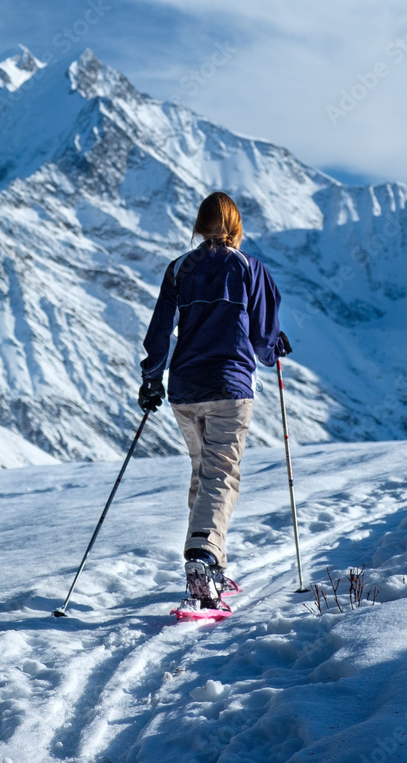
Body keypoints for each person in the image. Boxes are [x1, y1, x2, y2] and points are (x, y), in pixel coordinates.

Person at [138, 191, 291, 608]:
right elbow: (262, 340)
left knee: (203, 472)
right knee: (221, 474)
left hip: (185, 391)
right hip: (229, 387)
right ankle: (203, 558)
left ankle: (211, 566)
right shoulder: (248, 268)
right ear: (236, 228)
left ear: (199, 225)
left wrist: (152, 378)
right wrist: (275, 345)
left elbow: (159, 332)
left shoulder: (178, 271)